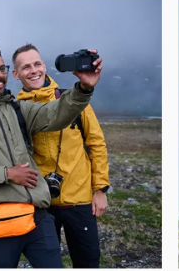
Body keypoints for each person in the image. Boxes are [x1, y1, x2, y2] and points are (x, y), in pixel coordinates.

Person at [0, 40, 102, 268]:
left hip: (38, 218)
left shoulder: (19, 109)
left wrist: (84, 88)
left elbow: (56, 112)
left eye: (2, 68)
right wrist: (6, 174)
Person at [13, 43, 111, 268]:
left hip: (80, 199)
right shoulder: (16, 111)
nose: (34, 70)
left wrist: (100, 189)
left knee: (87, 262)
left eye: (37, 64)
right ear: (16, 74)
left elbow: (96, 143)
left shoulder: (73, 99)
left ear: (44, 65)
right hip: (41, 203)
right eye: (26, 67)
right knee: (47, 264)